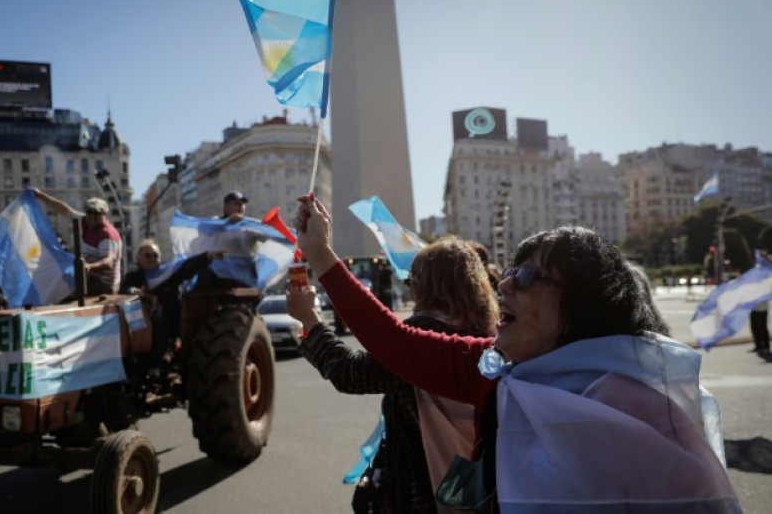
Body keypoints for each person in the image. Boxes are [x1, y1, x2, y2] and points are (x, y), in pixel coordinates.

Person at [293, 194, 740, 513]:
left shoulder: (647, 406)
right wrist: (320, 255)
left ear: (582, 304)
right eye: (507, 273)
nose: (503, 285)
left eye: (526, 277)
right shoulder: (495, 370)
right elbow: (394, 342)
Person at [287, 236, 498, 513]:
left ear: (425, 285)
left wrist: (309, 319)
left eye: (412, 280)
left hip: (420, 490)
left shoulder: (425, 333)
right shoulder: (488, 332)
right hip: (472, 482)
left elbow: (350, 373)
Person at [121, 239, 225, 378]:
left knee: (156, 321)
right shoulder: (134, 276)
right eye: (147, 255)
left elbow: (187, 267)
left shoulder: (168, 273)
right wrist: (132, 290)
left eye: (155, 255)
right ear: (138, 258)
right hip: (136, 323)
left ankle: (155, 367)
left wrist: (207, 256)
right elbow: (123, 290)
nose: (152, 258)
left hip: (167, 322)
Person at [33, 187, 123, 295]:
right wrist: (40, 195)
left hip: (104, 284)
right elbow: (65, 210)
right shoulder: (85, 221)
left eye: (97, 213)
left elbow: (108, 262)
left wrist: (90, 267)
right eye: (89, 212)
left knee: (61, 295)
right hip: (88, 277)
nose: (92, 216)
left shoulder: (106, 233)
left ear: (105, 215)